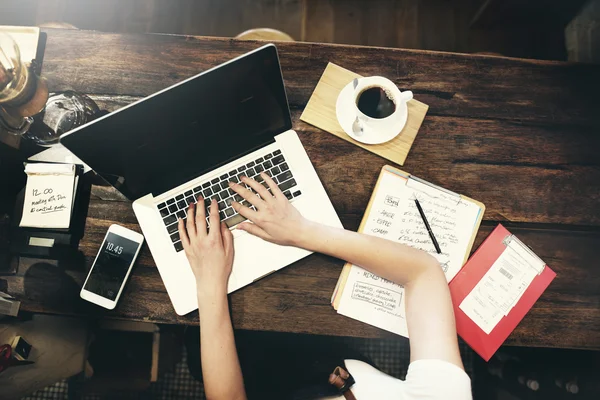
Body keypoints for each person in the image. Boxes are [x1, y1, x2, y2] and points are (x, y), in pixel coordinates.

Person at [177, 172, 472, 400]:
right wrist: (301, 232)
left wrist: (209, 283)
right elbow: (424, 272)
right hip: (332, 362)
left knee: (194, 350)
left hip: (263, 380)